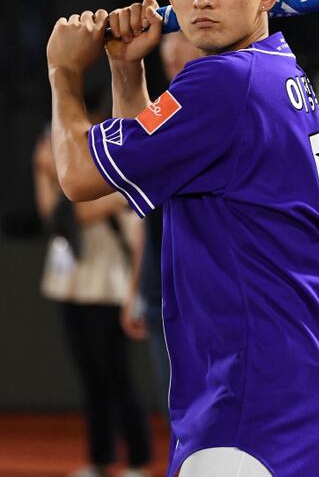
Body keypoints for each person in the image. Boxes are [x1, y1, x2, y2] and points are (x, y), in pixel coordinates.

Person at [45, 0, 319, 477]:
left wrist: (63, 72)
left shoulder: (223, 82)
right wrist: (126, 71)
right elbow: (147, 172)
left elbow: (78, 177)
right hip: (290, 366)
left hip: (251, 383)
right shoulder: (275, 69)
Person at [33, 119, 151, 477]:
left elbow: (84, 213)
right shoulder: (63, 183)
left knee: (118, 377)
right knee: (91, 378)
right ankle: (100, 459)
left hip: (109, 290)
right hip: (71, 287)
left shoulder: (114, 184)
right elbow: (51, 215)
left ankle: (137, 461)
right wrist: (41, 173)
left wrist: (134, 297)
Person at [121, 32, 203, 419]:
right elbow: (135, 190)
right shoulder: (163, 107)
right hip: (162, 287)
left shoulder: (224, 96)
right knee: (182, 415)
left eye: (180, 38)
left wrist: (63, 73)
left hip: (210, 291)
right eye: (166, 43)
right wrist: (136, 289)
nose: (170, 52)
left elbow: (79, 177)